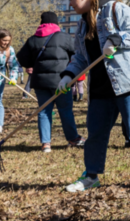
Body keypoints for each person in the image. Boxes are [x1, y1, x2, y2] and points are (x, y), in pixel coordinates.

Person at [59, 0, 130, 193]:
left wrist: (115, 40)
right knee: (95, 133)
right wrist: (68, 75)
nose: (70, 4)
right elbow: (80, 57)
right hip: (102, 86)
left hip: (129, 82)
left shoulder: (116, 8)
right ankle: (91, 176)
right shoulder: (83, 23)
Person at [16, 11, 85, 153]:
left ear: (41, 23)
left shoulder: (33, 39)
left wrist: (33, 64)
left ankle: (46, 144)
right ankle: (73, 138)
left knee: (44, 111)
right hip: (61, 80)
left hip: (40, 82)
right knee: (65, 110)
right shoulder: (64, 38)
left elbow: (22, 58)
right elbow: (77, 53)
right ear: (56, 23)